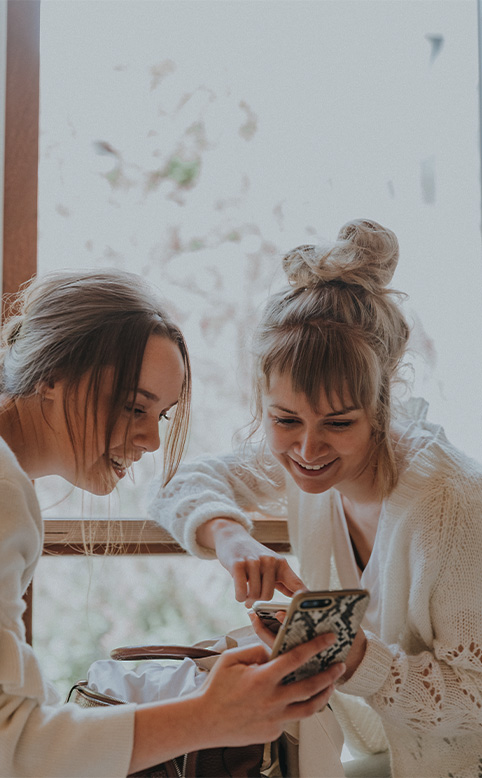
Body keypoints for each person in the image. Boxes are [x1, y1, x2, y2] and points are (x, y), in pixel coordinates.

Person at [150, 219, 482, 778]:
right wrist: (230, 535)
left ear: (381, 403)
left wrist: (354, 658)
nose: (307, 449)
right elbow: (178, 486)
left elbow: (475, 698)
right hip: (374, 751)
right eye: (284, 420)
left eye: (338, 422)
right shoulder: (304, 464)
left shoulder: (452, 506)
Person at [0, 269, 346, 778]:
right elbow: (15, 746)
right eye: (133, 406)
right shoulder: (6, 494)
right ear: (51, 376)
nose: (151, 440)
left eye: (161, 416)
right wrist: (209, 718)